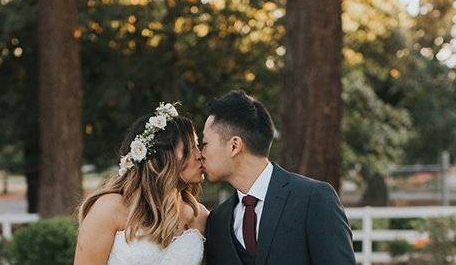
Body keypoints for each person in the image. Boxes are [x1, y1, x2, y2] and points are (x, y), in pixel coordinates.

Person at [201, 90, 356, 265]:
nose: (201, 154)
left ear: (234, 146)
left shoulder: (314, 199)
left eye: (205, 143)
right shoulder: (217, 221)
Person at [74, 103, 208, 265]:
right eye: (192, 146)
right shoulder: (109, 208)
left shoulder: (199, 216)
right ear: (163, 154)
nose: (199, 154)